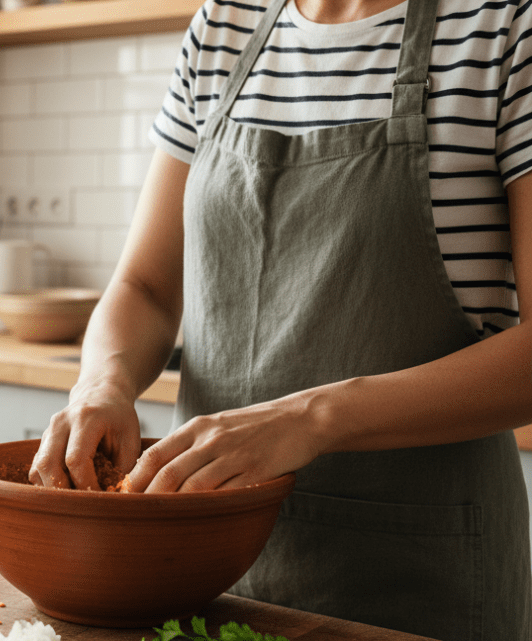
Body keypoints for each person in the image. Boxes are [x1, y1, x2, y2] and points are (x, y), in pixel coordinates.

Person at [28, 0, 532, 639]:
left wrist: (310, 418)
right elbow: (146, 287)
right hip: (203, 565)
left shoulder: (503, 27)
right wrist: (104, 382)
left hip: (416, 573)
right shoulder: (223, 26)